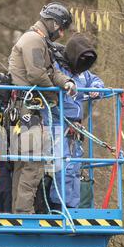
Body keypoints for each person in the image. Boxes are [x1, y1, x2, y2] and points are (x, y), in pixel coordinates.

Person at [8, 2, 77, 214]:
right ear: (53, 23)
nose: (62, 33)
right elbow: (36, 75)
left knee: (27, 162)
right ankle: (23, 213)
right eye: (61, 28)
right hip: (26, 110)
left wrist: (67, 82)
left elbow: (50, 72)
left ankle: (19, 211)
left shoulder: (40, 42)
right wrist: (53, 96)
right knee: (33, 163)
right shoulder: (34, 40)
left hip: (29, 109)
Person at [42, 33, 104, 209]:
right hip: (56, 122)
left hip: (75, 127)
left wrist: (96, 89)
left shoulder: (84, 74)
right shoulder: (57, 70)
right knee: (63, 166)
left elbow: (97, 81)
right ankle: (58, 207)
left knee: (75, 167)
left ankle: (73, 209)